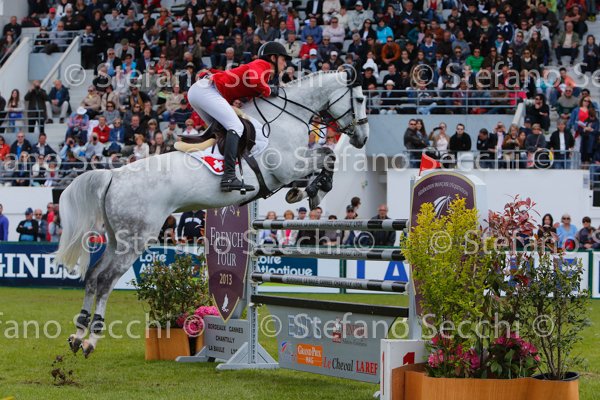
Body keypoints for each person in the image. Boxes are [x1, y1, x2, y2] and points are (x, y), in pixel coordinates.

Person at [187, 41, 289, 192]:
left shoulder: (265, 74)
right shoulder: (262, 64)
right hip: (207, 91)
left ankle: (212, 170)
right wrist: (269, 90)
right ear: (273, 58)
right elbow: (255, 80)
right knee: (236, 126)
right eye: (283, 59)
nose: (285, 64)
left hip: (200, 92)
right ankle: (229, 176)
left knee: (221, 131)